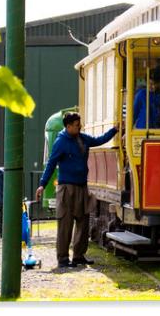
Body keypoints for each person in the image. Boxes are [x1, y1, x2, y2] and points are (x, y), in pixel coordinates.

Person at [35, 112, 119, 268]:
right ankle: (63, 259)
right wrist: (42, 184)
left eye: (79, 124)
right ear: (68, 126)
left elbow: (99, 140)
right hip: (67, 188)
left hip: (81, 186)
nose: (79, 126)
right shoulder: (60, 142)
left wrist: (114, 130)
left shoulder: (82, 138)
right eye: (76, 125)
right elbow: (51, 164)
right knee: (65, 223)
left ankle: (79, 256)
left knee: (83, 221)